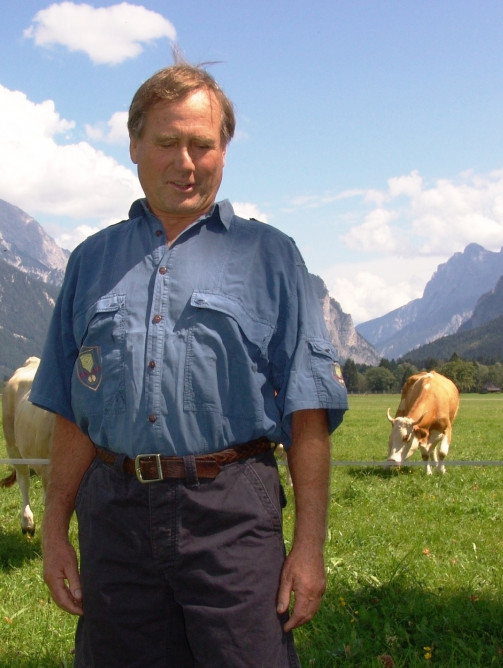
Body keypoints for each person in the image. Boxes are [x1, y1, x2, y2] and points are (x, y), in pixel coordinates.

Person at [30, 60, 348, 667]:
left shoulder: (271, 257)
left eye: (202, 144)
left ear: (224, 151)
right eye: (168, 142)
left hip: (230, 513)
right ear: (134, 146)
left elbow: (308, 409)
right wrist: (54, 531)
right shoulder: (90, 261)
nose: (186, 161)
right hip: (114, 517)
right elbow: (73, 410)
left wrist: (309, 547)